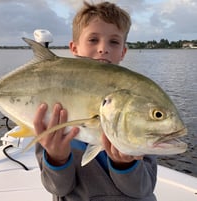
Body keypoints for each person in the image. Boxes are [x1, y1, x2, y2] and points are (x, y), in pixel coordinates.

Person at [34, 1, 157, 201]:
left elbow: (143, 189)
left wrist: (125, 165)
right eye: (93, 40)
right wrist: (57, 158)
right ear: (74, 48)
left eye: (114, 42)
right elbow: (58, 188)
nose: (103, 49)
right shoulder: (56, 105)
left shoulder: (136, 103)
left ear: (123, 52)